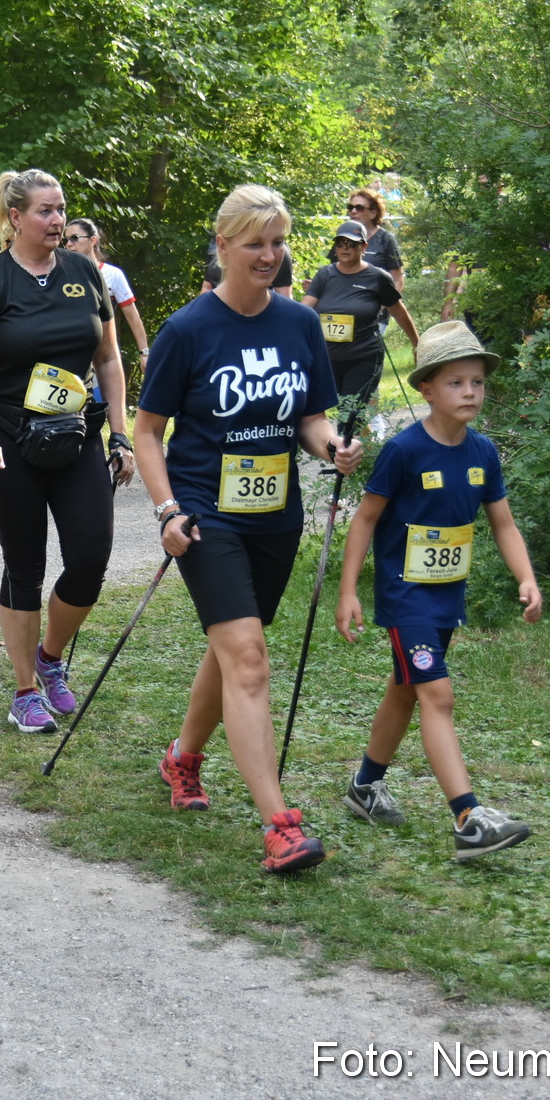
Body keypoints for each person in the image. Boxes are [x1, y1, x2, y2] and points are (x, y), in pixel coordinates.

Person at [135, 184, 363, 875]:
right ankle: (280, 824)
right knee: (249, 657)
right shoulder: (187, 330)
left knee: (232, 650)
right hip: (207, 513)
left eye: (278, 242)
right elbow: (148, 433)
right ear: (224, 244)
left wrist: (332, 449)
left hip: (275, 515)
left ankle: (182, 759)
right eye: (256, 242)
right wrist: (168, 509)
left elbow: (312, 417)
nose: (270, 255)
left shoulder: (298, 325)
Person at [334, 321, 543, 862]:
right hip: (406, 598)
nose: (470, 391)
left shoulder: (483, 453)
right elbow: (364, 521)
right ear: (426, 388)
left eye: (477, 382)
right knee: (437, 695)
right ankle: (468, 817)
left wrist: (526, 576)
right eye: (456, 382)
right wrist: (349, 591)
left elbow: (503, 524)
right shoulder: (404, 451)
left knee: (407, 690)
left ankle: (364, 786)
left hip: (447, 598)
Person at [0, 168, 136, 734]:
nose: (58, 220)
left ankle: (50, 657)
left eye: (61, 209)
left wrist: (121, 433)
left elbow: (109, 360)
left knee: (89, 560)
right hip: (12, 440)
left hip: (76, 434)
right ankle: (24, 690)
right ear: (15, 217)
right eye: (45, 211)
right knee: (24, 565)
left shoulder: (86, 273)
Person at [303, 219, 419, 435]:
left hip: (364, 357)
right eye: (340, 243)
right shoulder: (325, 275)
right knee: (349, 413)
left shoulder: (377, 277)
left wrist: (416, 344)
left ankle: (345, 465)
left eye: (352, 244)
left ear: (364, 247)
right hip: (330, 360)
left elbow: (398, 311)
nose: (345, 248)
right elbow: (304, 310)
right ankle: (366, 450)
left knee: (349, 413)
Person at [63, 218, 149, 373]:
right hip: (68, 357)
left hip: (103, 357)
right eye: (66, 240)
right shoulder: (60, 273)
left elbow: (132, 316)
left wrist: (144, 353)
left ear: (93, 240)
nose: (69, 244)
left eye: (74, 238)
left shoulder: (113, 274)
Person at [342, 187, 405, 289]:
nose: (353, 211)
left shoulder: (386, 239)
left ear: (373, 213)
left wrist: (387, 303)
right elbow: (330, 271)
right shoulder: (343, 238)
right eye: (350, 207)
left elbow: (398, 280)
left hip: (376, 301)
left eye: (359, 208)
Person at [204, 236, 292, 298]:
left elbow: (284, 297)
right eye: (254, 244)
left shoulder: (281, 254)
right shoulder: (214, 245)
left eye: (278, 242)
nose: (270, 257)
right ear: (222, 245)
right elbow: (207, 287)